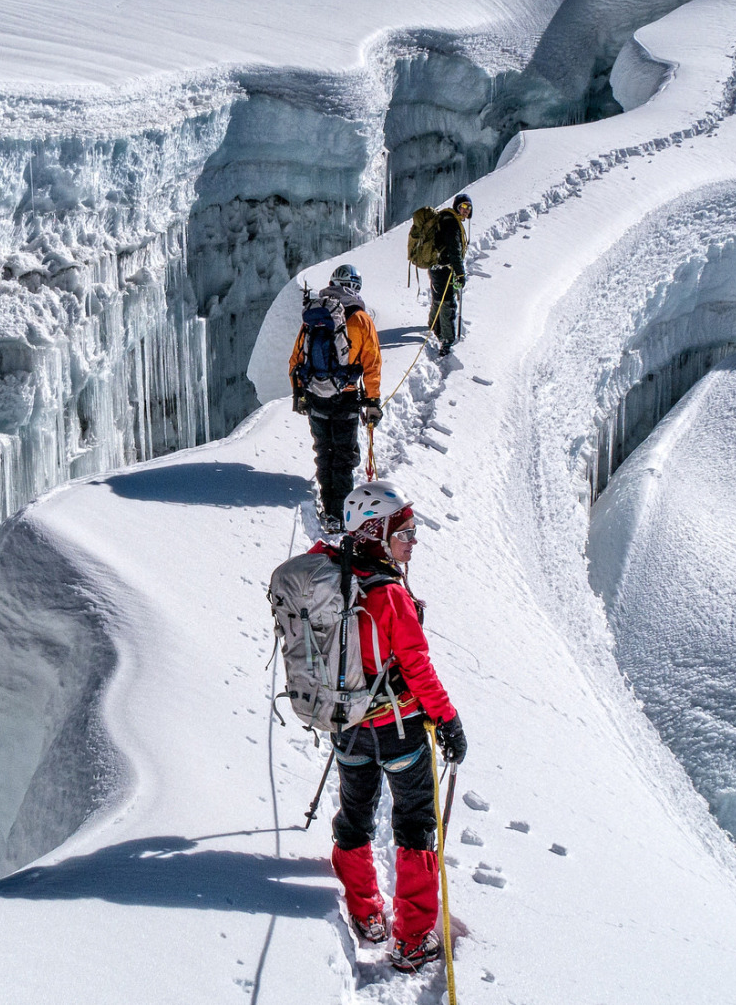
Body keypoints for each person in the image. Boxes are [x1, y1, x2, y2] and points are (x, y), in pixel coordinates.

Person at [314, 482, 469, 972]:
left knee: (355, 815)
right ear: (376, 532)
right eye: (404, 531)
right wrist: (447, 720)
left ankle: (366, 915)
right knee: (416, 824)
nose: (412, 541)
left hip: (348, 727)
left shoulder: (330, 575)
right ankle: (411, 939)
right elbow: (418, 667)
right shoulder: (388, 594)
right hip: (397, 727)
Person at [289, 265, 383, 532]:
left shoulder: (314, 316)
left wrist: (299, 394)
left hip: (315, 396)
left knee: (324, 452)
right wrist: (373, 401)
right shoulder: (361, 318)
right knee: (343, 456)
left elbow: (296, 358)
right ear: (354, 287)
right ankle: (340, 514)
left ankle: (329, 506)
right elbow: (372, 363)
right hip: (347, 397)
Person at [428, 193, 472, 355]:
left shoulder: (446, 219)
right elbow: (454, 250)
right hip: (444, 268)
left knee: (439, 298)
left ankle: (433, 326)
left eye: (469, 207)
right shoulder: (451, 223)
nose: (466, 210)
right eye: (464, 206)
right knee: (447, 303)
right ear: (457, 207)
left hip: (436, 267)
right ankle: (447, 339)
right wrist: (460, 273)